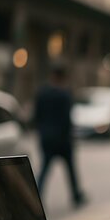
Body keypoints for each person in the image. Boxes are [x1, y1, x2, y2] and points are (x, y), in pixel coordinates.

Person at [34, 66, 85, 208]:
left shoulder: (42, 93)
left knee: (44, 169)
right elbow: (67, 119)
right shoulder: (65, 95)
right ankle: (76, 195)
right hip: (62, 140)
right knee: (70, 170)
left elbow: (36, 116)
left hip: (47, 138)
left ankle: (36, 196)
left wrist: (42, 131)